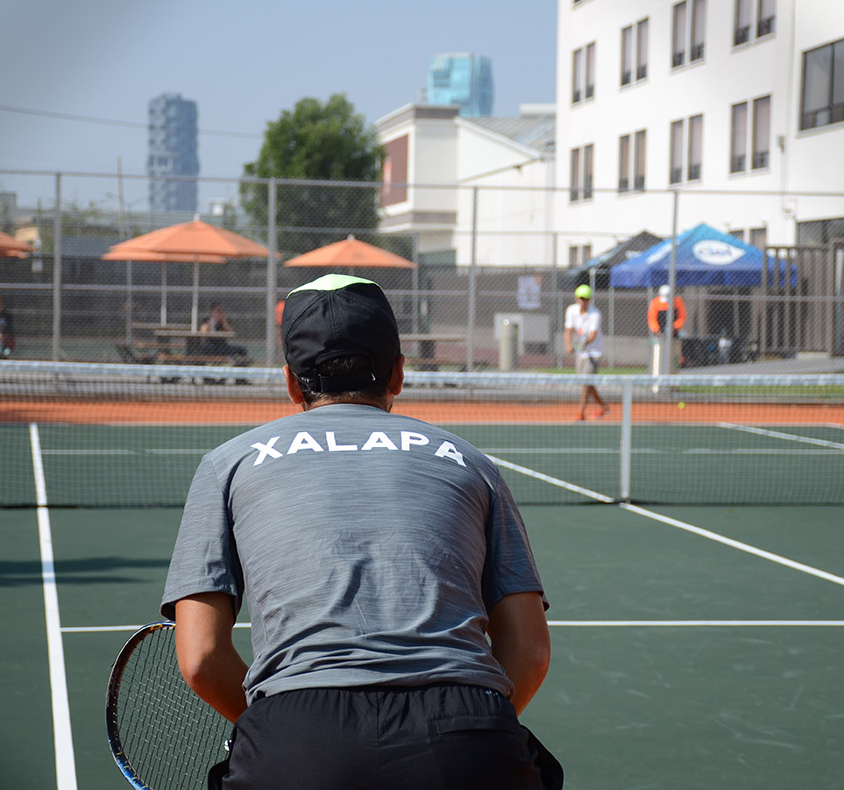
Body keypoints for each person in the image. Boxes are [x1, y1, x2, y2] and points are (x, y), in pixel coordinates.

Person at [161, 274, 560, 790]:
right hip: (468, 731)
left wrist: (275, 729)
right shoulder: (472, 462)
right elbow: (529, 652)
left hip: (297, 735)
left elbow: (199, 659)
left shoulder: (227, 465)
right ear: (398, 373)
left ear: (289, 380)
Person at [564, 284, 610, 421]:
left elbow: (592, 335)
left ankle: (581, 413)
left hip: (594, 353)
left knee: (586, 382)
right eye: (581, 298)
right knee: (587, 383)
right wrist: (568, 345)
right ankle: (603, 406)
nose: (583, 301)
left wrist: (580, 345)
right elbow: (568, 330)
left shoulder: (595, 314)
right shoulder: (571, 311)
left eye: (586, 298)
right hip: (581, 354)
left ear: (589, 299)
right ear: (576, 298)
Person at [647, 284, 687, 369]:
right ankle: (657, 369)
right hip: (659, 331)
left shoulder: (677, 301)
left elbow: (682, 317)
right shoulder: (655, 302)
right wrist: (656, 330)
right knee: (658, 350)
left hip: (674, 331)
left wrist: (674, 328)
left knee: (676, 348)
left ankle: (674, 367)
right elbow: (652, 318)